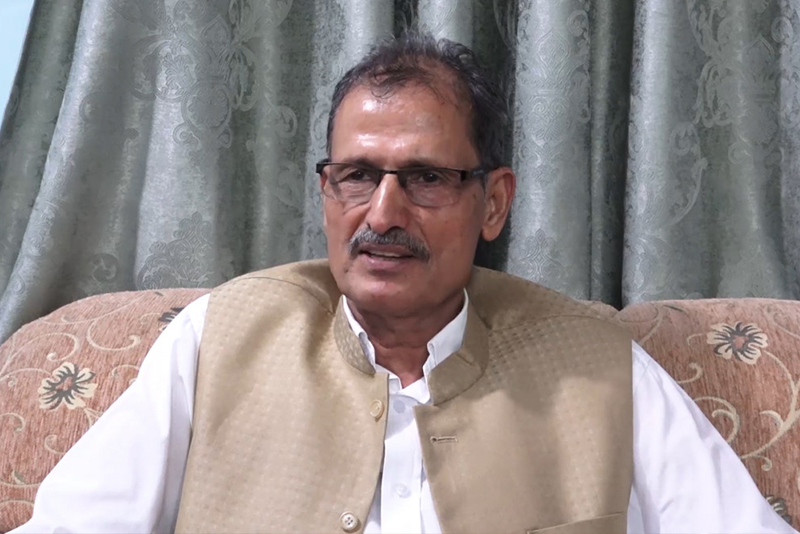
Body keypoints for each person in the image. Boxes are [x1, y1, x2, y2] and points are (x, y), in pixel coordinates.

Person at [11, 33, 796, 534]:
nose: (382, 213)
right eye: (356, 175)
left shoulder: (596, 363)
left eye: (425, 178)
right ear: (326, 192)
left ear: (494, 202)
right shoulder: (219, 339)